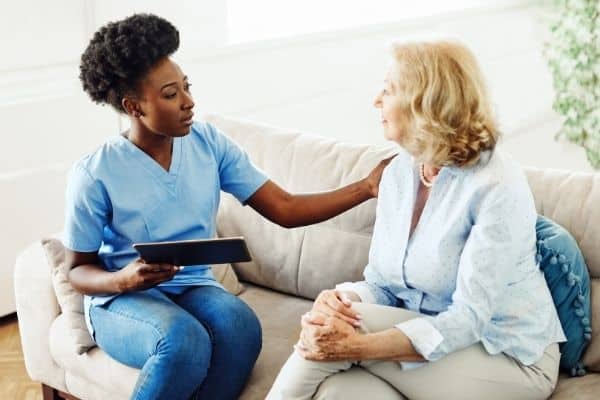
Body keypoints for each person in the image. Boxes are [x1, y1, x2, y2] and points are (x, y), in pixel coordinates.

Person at [64, 13, 391, 400]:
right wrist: (124, 279)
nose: (189, 102)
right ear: (133, 107)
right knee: (182, 341)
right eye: (171, 95)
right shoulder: (95, 172)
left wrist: (367, 187)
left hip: (192, 285)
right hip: (122, 299)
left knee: (240, 328)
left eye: (186, 87)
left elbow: (284, 208)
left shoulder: (208, 143)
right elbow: (77, 271)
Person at [267, 40, 566, 400]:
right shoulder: (398, 172)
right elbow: (382, 283)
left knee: (338, 331)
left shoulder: (496, 185)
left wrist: (355, 346)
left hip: (505, 354)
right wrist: (342, 297)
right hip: (431, 342)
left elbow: (470, 318)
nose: (376, 100)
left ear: (425, 104)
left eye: (389, 90)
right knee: (338, 391)